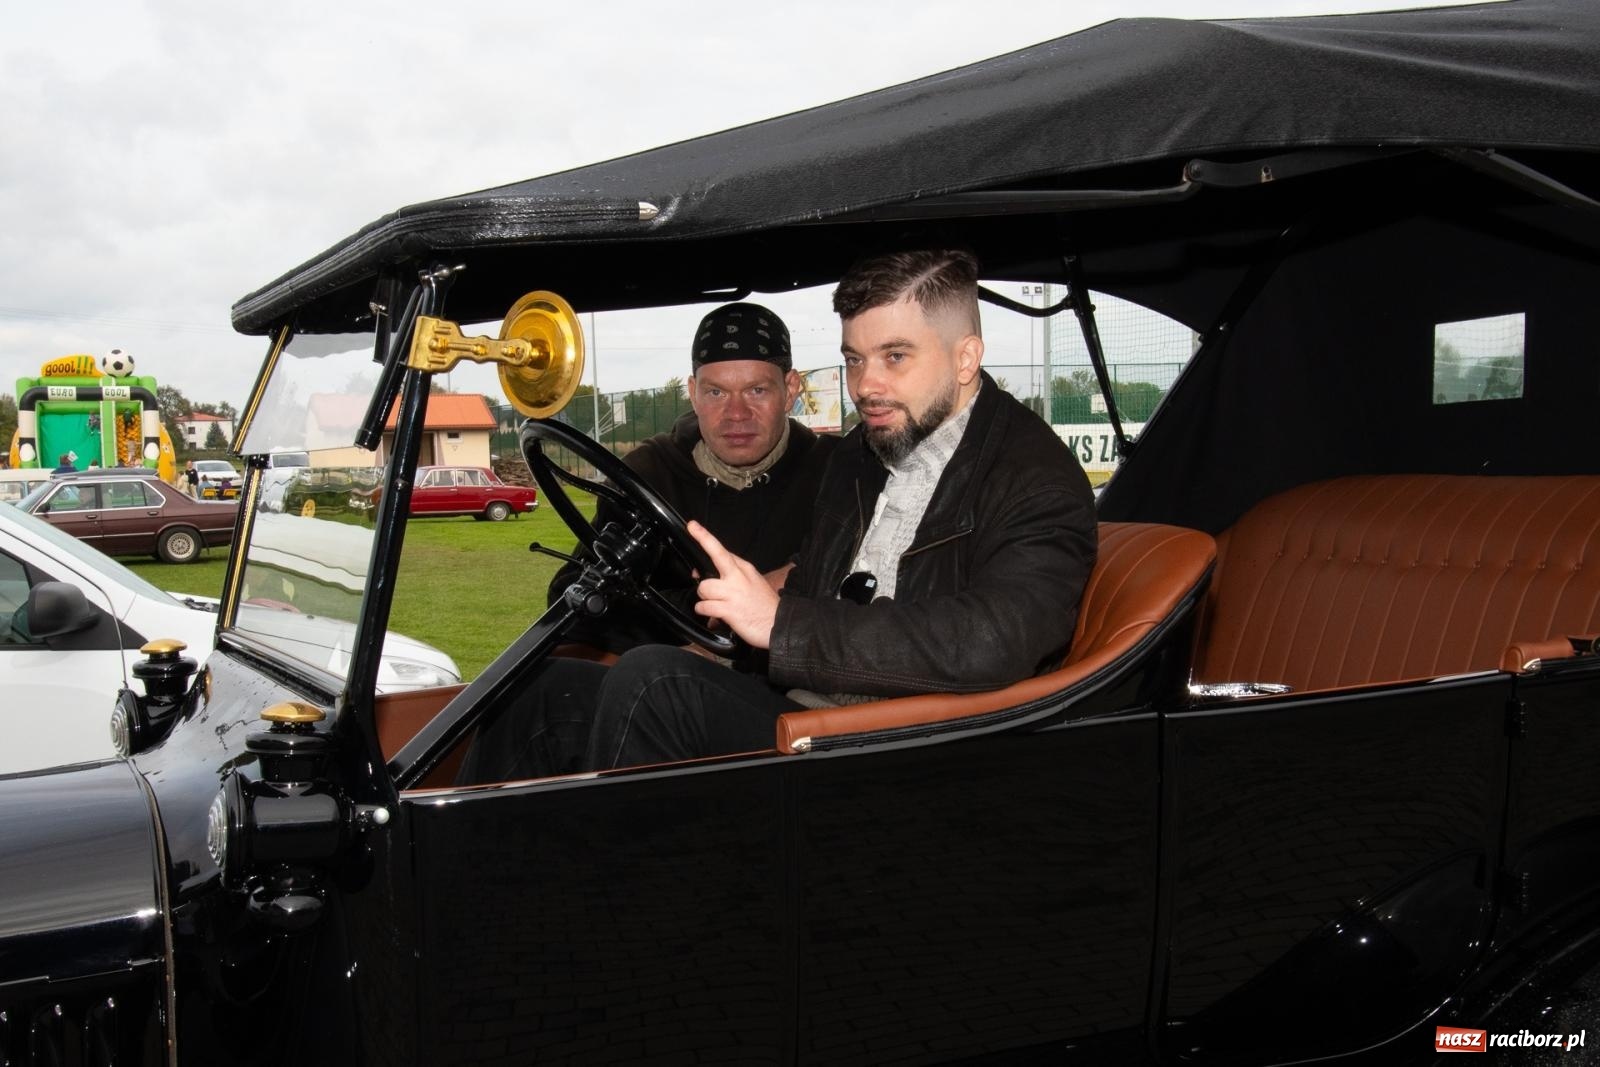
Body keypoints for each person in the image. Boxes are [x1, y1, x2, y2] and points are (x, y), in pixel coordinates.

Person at [460, 249, 1096, 783]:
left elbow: (996, 641)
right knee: (539, 689)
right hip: (808, 706)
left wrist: (780, 626)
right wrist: (737, 628)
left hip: (907, 742)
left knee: (656, 683)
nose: (866, 386)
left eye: (895, 357)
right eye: (853, 359)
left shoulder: (1034, 476)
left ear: (964, 358)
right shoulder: (859, 453)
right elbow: (817, 577)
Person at [548, 302, 837, 653]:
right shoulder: (646, 476)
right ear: (693, 392)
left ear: (791, 389)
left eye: (756, 390)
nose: (736, 414)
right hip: (663, 682)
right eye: (716, 392)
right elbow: (573, 600)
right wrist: (709, 609)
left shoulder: (837, 472)